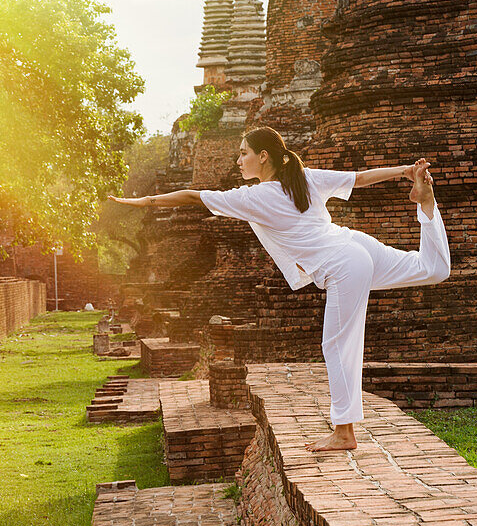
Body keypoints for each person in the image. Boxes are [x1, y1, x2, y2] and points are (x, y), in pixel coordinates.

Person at [109, 126, 451, 453]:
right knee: (432, 269)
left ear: (263, 156)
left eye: (243, 154)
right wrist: (405, 170)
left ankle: (344, 433)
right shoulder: (304, 177)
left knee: (336, 345)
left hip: (344, 265)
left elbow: (192, 198)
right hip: (352, 245)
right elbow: (359, 179)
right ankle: (427, 206)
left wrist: (145, 202)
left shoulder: (255, 196)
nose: (238, 161)